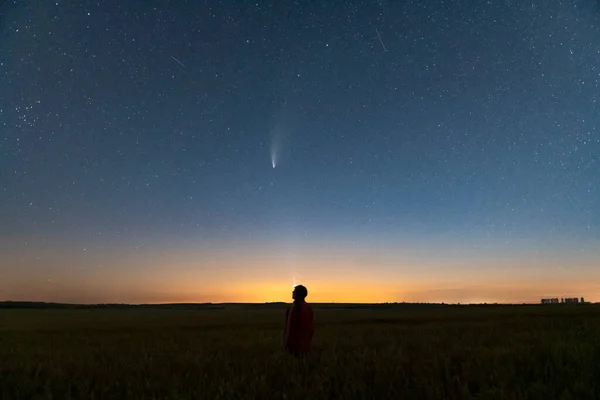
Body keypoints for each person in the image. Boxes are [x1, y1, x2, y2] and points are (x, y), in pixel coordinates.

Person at [283, 284, 314, 357]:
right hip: (305, 343)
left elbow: (291, 327)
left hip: (295, 344)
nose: (292, 292)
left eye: (294, 291)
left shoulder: (296, 308)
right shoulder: (308, 307)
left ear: (298, 294)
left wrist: (287, 343)